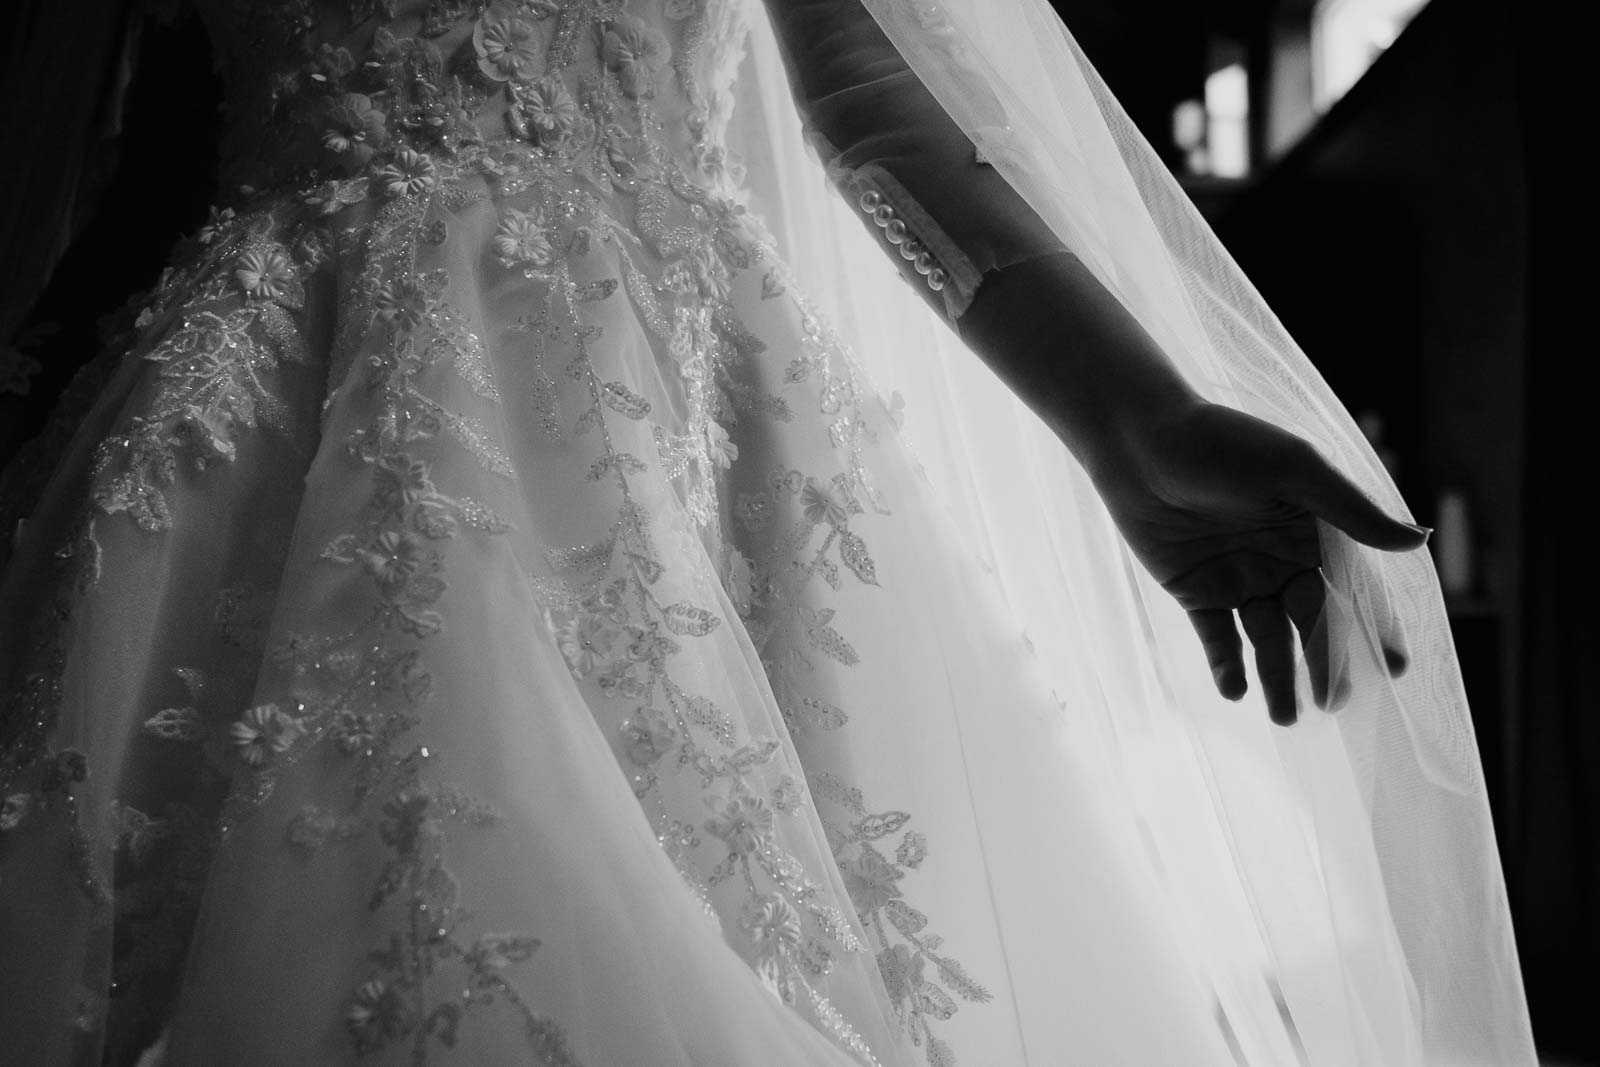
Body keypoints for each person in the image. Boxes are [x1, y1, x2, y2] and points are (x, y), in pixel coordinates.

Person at [0, 0, 1534, 1064]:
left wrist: (1130, 419)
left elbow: (867, 109)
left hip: (663, 407)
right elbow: (146, 145)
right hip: (259, 403)